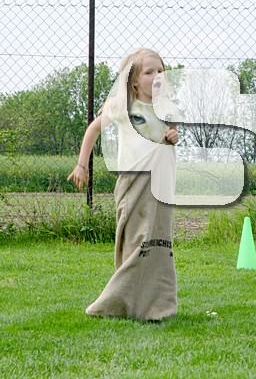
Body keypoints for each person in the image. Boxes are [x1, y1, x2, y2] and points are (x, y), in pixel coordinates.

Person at [68, 48, 179, 322]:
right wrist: (82, 165)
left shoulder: (166, 109)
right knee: (137, 243)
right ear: (134, 81)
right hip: (133, 184)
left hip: (161, 184)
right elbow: (94, 129)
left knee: (158, 243)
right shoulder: (123, 107)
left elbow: (170, 136)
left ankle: (157, 307)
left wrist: (172, 137)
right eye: (149, 72)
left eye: (161, 71)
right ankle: (113, 303)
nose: (157, 76)